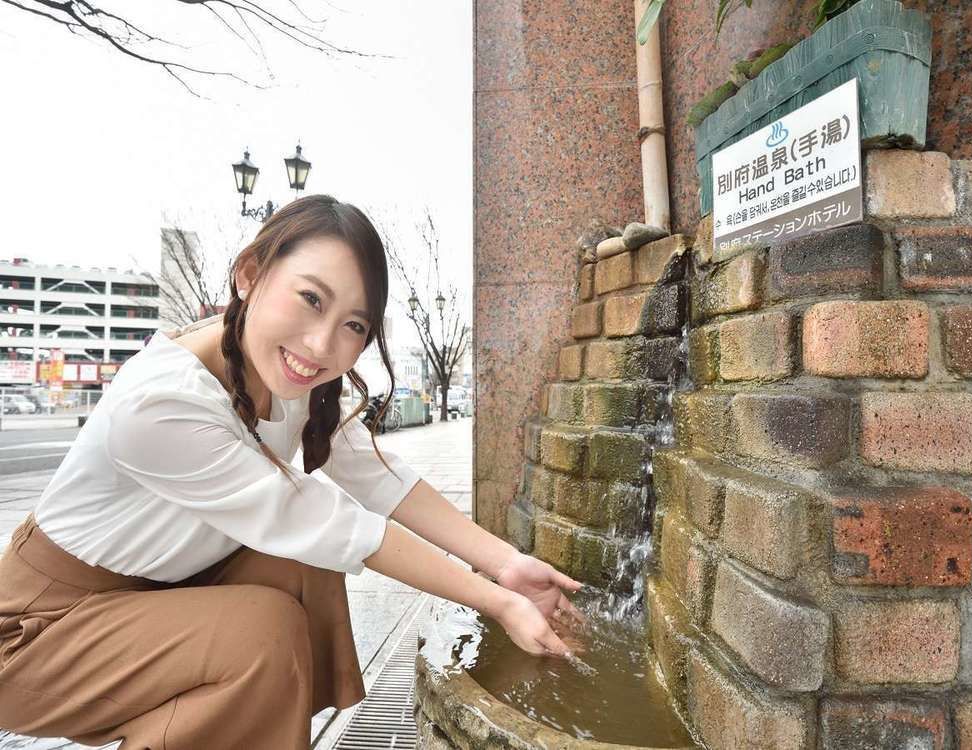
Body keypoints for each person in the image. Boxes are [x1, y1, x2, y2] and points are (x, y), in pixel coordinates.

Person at [0, 195, 583, 749]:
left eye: (355, 325)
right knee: (262, 629)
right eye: (311, 299)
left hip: (149, 594)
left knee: (299, 567)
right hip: (39, 630)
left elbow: (382, 478)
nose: (322, 344)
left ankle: (248, 727)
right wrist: (497, 603)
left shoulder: (287, 376)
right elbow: (329, 522)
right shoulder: (158, 404)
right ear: (250, 274)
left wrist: (505, 564)